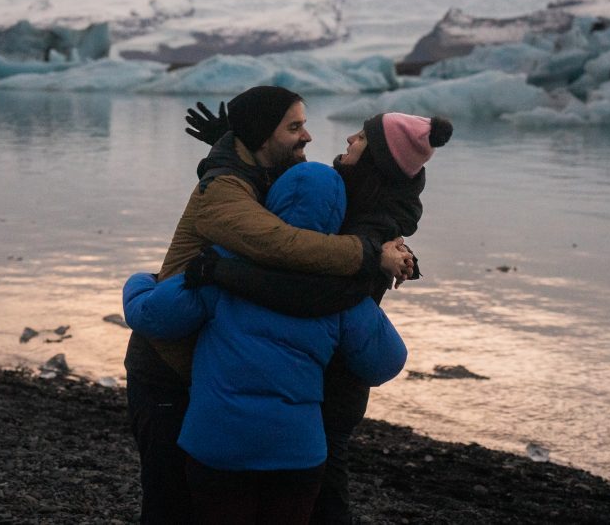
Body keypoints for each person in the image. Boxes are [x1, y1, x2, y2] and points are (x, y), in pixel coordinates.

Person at [124, 86, 414, 523]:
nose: (310, 137)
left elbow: (297, 215)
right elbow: (282, 242)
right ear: (262, 137)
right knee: (170, 502)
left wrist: (141, 285)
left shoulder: (272, 206)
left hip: (211, 369)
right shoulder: (225, 194)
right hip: (166, 365)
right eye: (294, 127)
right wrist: (371, 256)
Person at [187, 111, 453, 524]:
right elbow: (298, 199)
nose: (349, 139)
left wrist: (221, 272)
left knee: (325, 495)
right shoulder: (357, 196)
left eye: (361, 138)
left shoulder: (375, 224)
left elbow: (313, 292)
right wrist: (240, 147)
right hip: (310, 369)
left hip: (334, 382)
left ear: (378, 159)